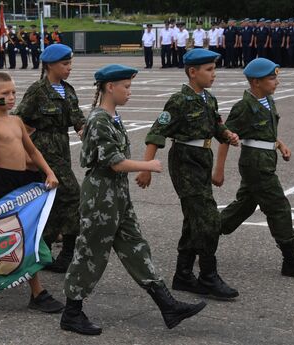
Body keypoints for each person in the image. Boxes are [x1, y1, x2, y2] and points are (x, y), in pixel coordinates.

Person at [61, 64, 206, 336]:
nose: (129, 91)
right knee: (90, 252)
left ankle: (168, 306)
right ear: (109, 87)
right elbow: (114, 163)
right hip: (101, 196)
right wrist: (148, 165)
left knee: (136, 247)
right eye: (125, 87)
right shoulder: (99, 120)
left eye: (130, 86)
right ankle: (72, 313)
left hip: (117, 194)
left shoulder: (113, 117)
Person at [136, 49, 241, 299]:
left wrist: (227, 135)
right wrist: (146, 168)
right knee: (208, 220)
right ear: (193, 72)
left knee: (193, 218)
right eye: (209, 70)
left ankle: (183, 275)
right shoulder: (179, 101)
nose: (214, 74)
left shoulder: (208, 99)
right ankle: (208, 275)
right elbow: (157, 132)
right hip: (184, 161)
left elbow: (216, 125)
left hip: (202, 159)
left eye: (214, 69)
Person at [212, 58, 294, 281]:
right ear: (256, 82)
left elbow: (265, 131)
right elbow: (225, 138)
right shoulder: (244, 107)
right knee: (278, 207)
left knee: (243, 206)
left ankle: (203, 236)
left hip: (265, 159)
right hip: (256, 165)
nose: (277, 82)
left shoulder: (267, 101)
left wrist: (280, 145)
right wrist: (219, 171)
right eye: (272, 78)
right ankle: (291, 261)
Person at [0, 72, 63, 313]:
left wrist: (49, 172)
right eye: (4, 94)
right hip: (6, 183)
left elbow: (33, 152)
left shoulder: (17, 121)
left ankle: (24, 279)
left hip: (27, 180)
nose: (11, 98)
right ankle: (37, 292)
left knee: (30, 232)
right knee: (23, 235)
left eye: (13, 93)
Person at [14, 44, 84, 273]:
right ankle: (67, 253)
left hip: (62, 147)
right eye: (65, 64)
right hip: (44, 149)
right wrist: (24, 151)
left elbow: (79, 122)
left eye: (70, 63)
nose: (69, 68)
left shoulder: (68, 90)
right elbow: (20, 121)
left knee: (55, 200)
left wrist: (93, 141)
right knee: (72, 194)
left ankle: (41, 246)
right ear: (50, 65)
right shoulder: (37, 91)